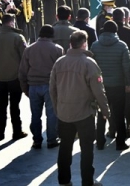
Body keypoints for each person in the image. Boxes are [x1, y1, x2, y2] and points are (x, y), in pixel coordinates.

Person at [50, 30, 110, 186]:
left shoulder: (59, 62)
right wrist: (105, 111)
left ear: (71, 44)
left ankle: (64, 181)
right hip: (84, 113)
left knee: (65, 147)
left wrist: (58, 108)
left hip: (64, 113)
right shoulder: (89, 63)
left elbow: (52, 89)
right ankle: (87, 182)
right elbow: (99, 90)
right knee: (87, 149)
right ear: (85, 44)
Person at [18, 24, 64, 150]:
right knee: (52, 114)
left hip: (33, 86)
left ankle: (37, 140)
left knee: (35, 114)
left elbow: (22, 71)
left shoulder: (29, 49)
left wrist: (25, 88)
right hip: (50, 86)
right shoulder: (57, 49)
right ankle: (51, 140)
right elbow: (61, 71)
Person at [90, 20, 130, 151]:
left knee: (101, 113)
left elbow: (91, 66)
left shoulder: (95, 46)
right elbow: (127, 66)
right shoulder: (122, 46)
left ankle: (100, 142)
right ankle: (120, 143)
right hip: (118, 85)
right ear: (116, 31)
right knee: (119, 114)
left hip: (100, 86)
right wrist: (129, 83)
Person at [0, 14, 27, 141]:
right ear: (11, 23)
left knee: (1, 105)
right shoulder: (18, 37)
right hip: (15, 77)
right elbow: (25, 58)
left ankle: (0, 132)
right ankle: (17, 131)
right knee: (15, 106)